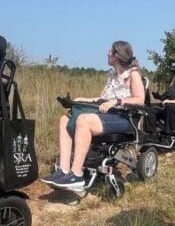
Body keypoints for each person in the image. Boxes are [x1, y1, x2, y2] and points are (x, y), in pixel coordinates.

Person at [41, 41, 145, 190]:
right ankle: (64, 170)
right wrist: (81, 99)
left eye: (110, 51)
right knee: (65, 119)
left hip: (123, 118)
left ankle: (76, 175)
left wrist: (117, 101)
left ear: (117, 56)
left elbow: (140, 100)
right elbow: (100, 99)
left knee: (84, 120)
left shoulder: (133, 74)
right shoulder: (111, 75)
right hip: (105, 115)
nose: (107, 53)